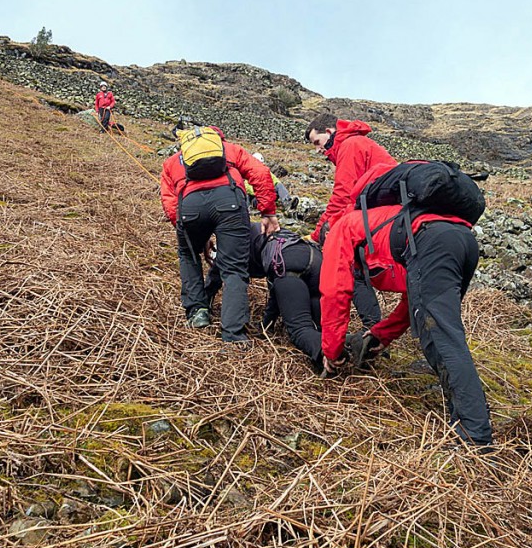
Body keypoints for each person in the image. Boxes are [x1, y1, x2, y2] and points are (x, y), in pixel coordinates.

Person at [317, 183, 493, 449]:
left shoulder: (340, 230)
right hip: (462, 240)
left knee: (443, 340)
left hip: (432, 241)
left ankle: (475, 438)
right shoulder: (388, 219)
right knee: (438, 332)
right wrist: (381, 334)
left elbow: (334, 292)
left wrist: (331, 350)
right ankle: (467, 418)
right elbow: (415, 298)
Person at [160, 124, 279, 346]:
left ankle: (198, 312)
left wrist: (191, 233)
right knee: (234, 267)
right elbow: (261, 173)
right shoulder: (230, 150)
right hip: (230, 202)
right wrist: (267, 211)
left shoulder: (173, 162)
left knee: (189, 255)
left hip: (189, 208)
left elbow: (169, 201)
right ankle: (233, 334)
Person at [305, 113, 396, 329]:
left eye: (317, 142)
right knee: (358, 265)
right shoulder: (356, 143)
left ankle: (372, 329)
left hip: (382, 214)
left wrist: (318, 234)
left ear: (329, 132)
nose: (318, 150)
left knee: (351, 265)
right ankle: (374, 328)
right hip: (383, 211)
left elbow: (342, 196)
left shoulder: (350, 145)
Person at [204, 223, 323, 368]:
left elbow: (215, 274)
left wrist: (204, 304)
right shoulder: (259, 229)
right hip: (316, 258)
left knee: (300, 329)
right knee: (321, 326)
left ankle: (336, 350)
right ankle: (340, 348)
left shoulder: (232, 243)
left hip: (287, 261)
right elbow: (278, 296)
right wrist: (267, 325)